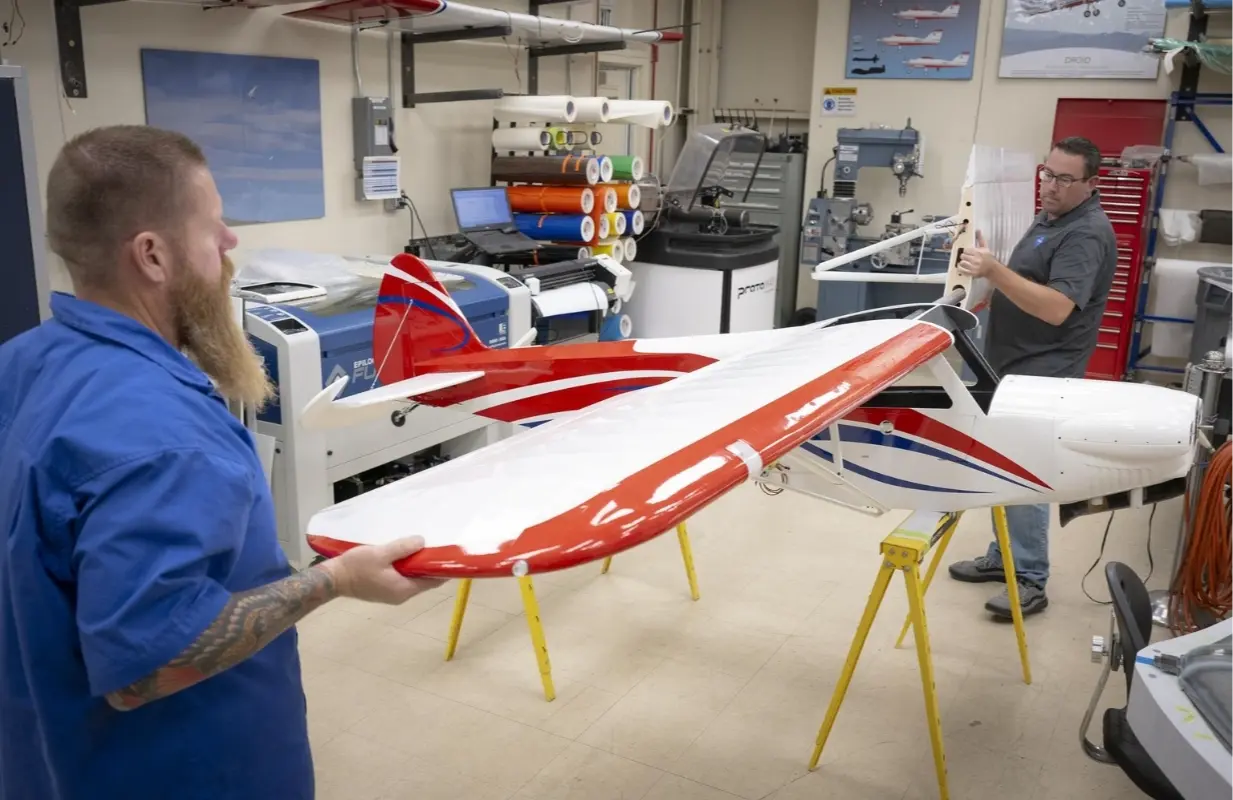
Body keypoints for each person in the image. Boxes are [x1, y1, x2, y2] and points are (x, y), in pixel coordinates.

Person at [0, 125, 446, 800]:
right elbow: (144, 668)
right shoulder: (163, 433)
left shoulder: (23, 363)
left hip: (55, 758)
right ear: (152, 255)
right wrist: (333, 580)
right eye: (214, 229)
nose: (231, 242)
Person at [947, 135, 1116, 620]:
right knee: (1001, 461)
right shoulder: (1051, 217)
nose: (1051, 186)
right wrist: (987, 284)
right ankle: (1003, 555)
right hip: (1012, 360)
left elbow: (1058, 307)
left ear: (1091, 183)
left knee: (1021, 466)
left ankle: (1029, 577)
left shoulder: (1085, 234)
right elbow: (1028, 277)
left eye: (1064, 179)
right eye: (1048, 173)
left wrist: (994, 272)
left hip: (1044, 368)